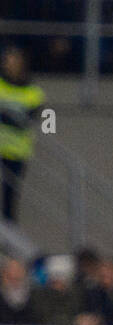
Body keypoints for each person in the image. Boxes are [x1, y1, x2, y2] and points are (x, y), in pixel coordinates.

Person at [0, 46, 44, 221]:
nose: (9, 63)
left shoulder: (33, 92)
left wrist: (6, 115)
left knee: (10, 195)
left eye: (13, 59)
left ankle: (8, 233)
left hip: (18, 151)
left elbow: (30, 121)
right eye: (7, 59)